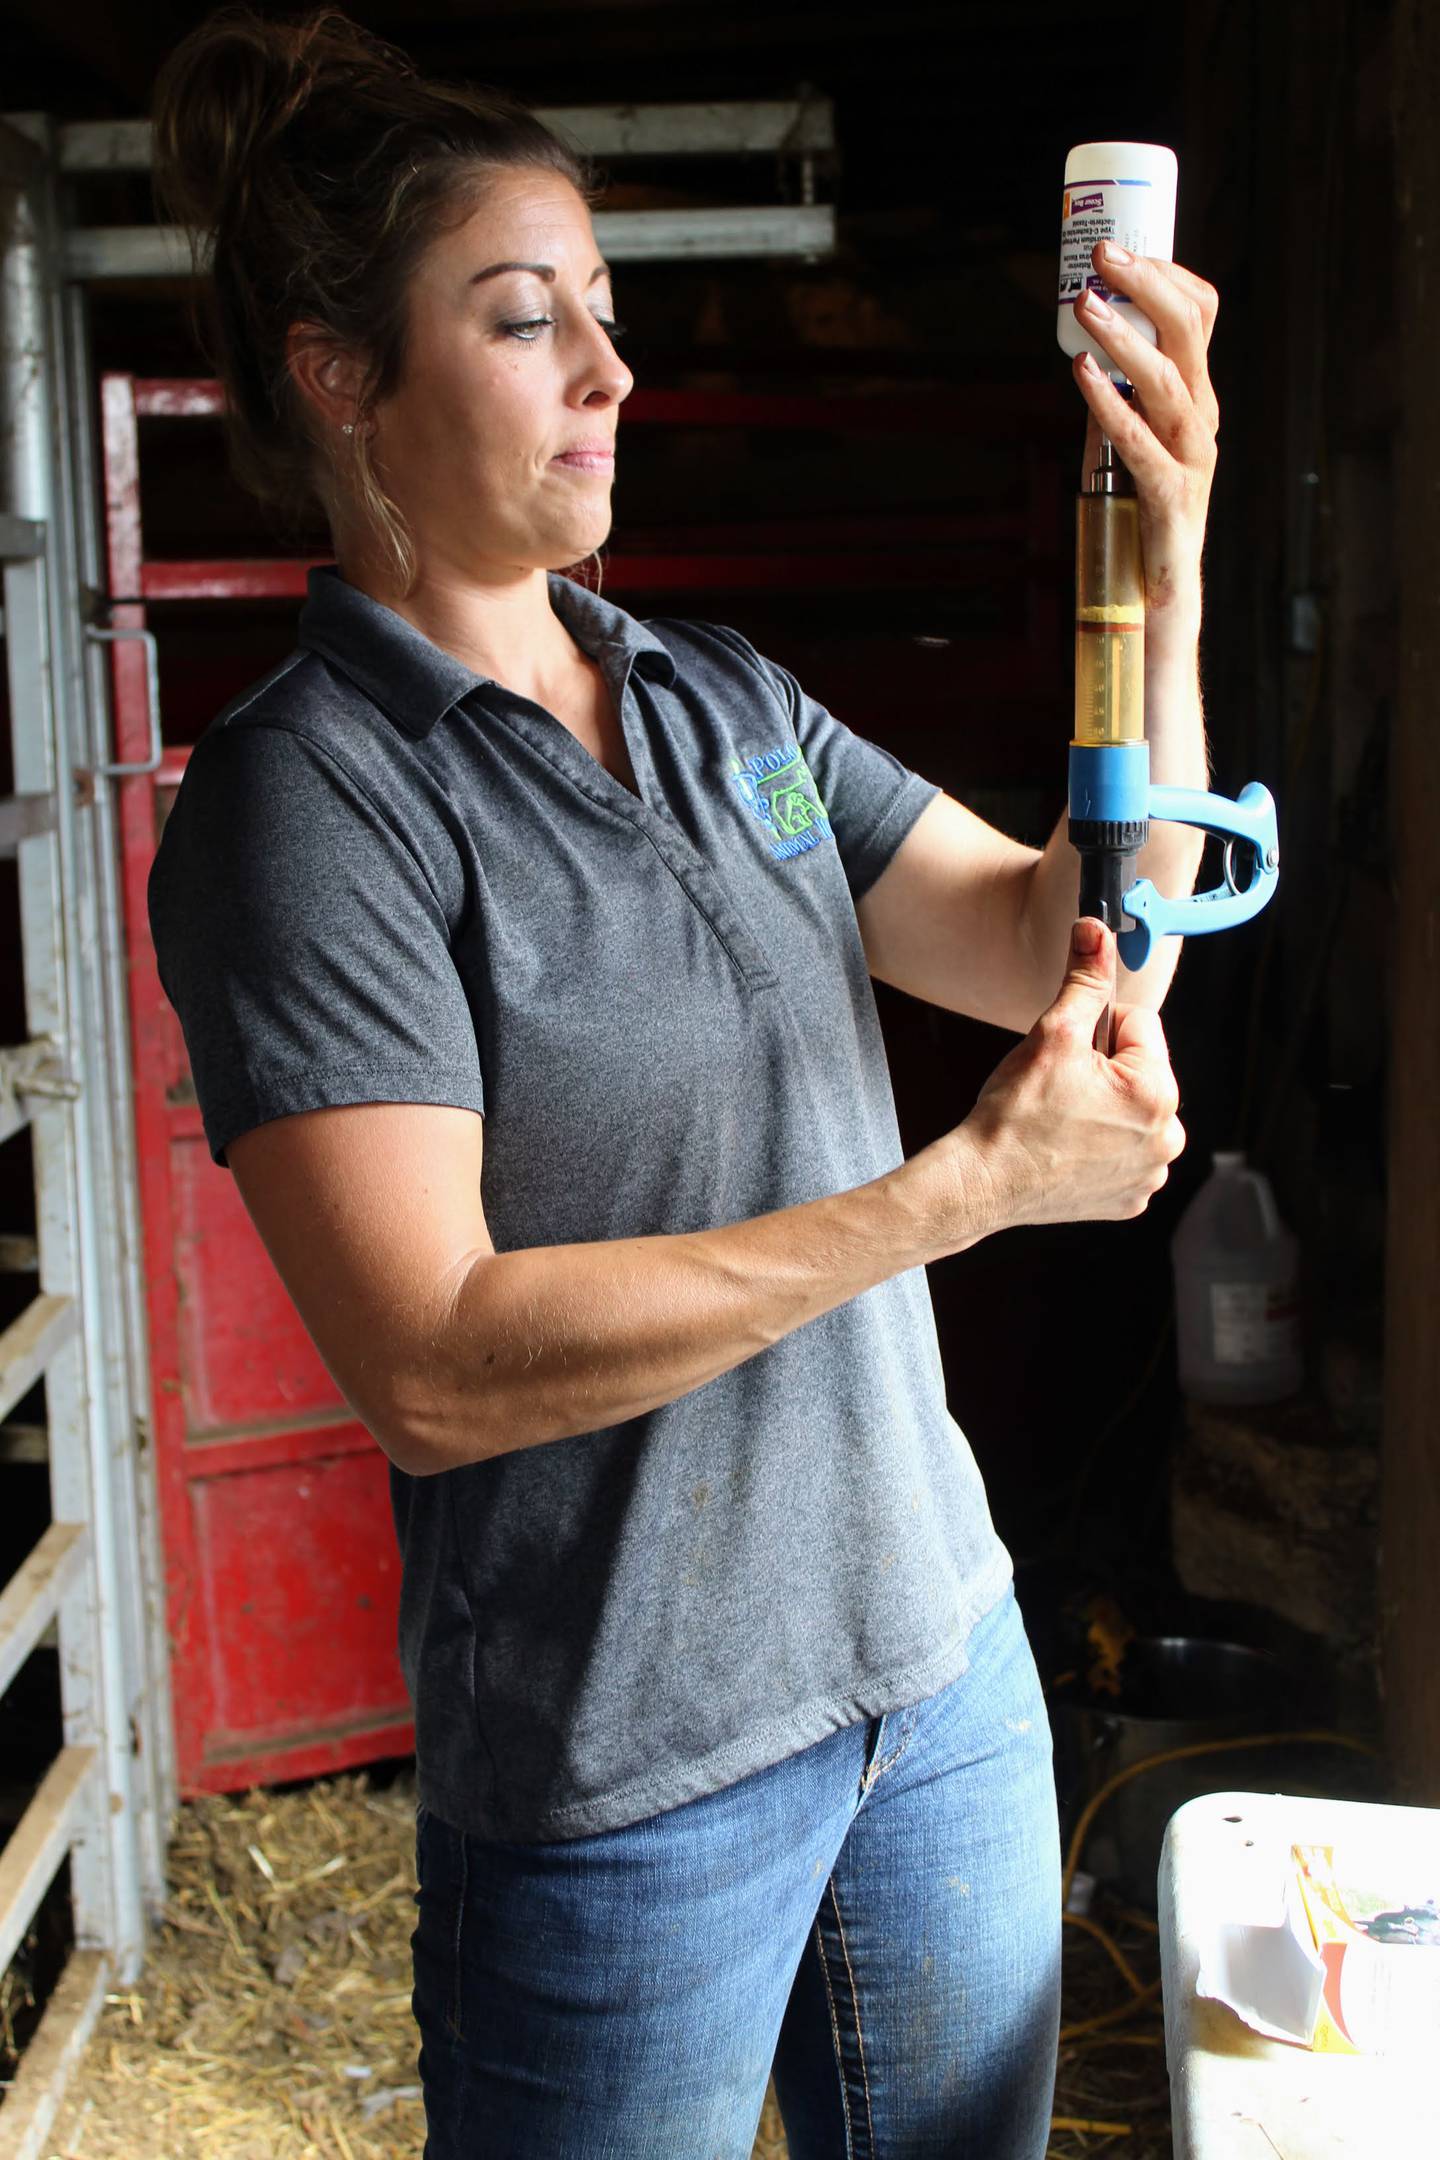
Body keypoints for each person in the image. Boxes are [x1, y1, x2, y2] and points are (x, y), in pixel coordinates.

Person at [147, 11, 1215, 2156]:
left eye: (607, 319)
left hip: (939, 1681)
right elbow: (433, 1363)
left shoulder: (716, 692)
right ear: (342, 375)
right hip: (625, 1780)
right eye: (530, 323)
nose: (613, 376)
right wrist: (958, 1193)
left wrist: (1159, 582)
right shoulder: (313, 810)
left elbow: (1055, 924)